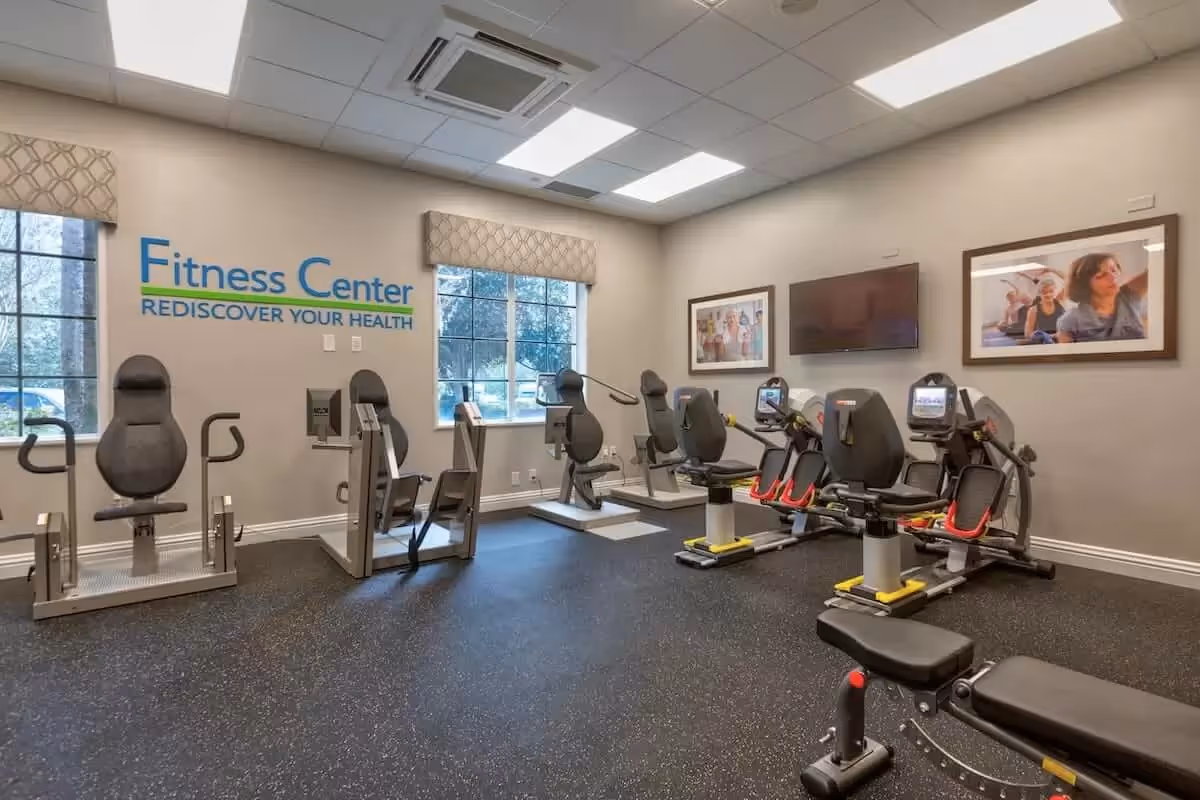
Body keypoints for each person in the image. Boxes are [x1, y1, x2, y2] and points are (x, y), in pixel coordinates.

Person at [1058, 253, 1148, 343]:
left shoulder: (1128, 295)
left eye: (1113, 270)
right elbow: (1067, 355)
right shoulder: (1070, 320)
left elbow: (1156, 267)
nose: (1113, 277)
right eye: (1101, 275)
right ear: (1084, 285)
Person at [1024, 274, 1067, 344]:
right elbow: (1027, 334)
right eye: (1044, 292)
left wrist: (1051, 270)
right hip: (1044, 344)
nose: (1048, 294)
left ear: (1055, 290)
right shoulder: (1033, 310)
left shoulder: (1059, 301)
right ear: (1039, 293)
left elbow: (1069, 281)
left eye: (1051, 291)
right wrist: (1049, 336)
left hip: (1062, 343)